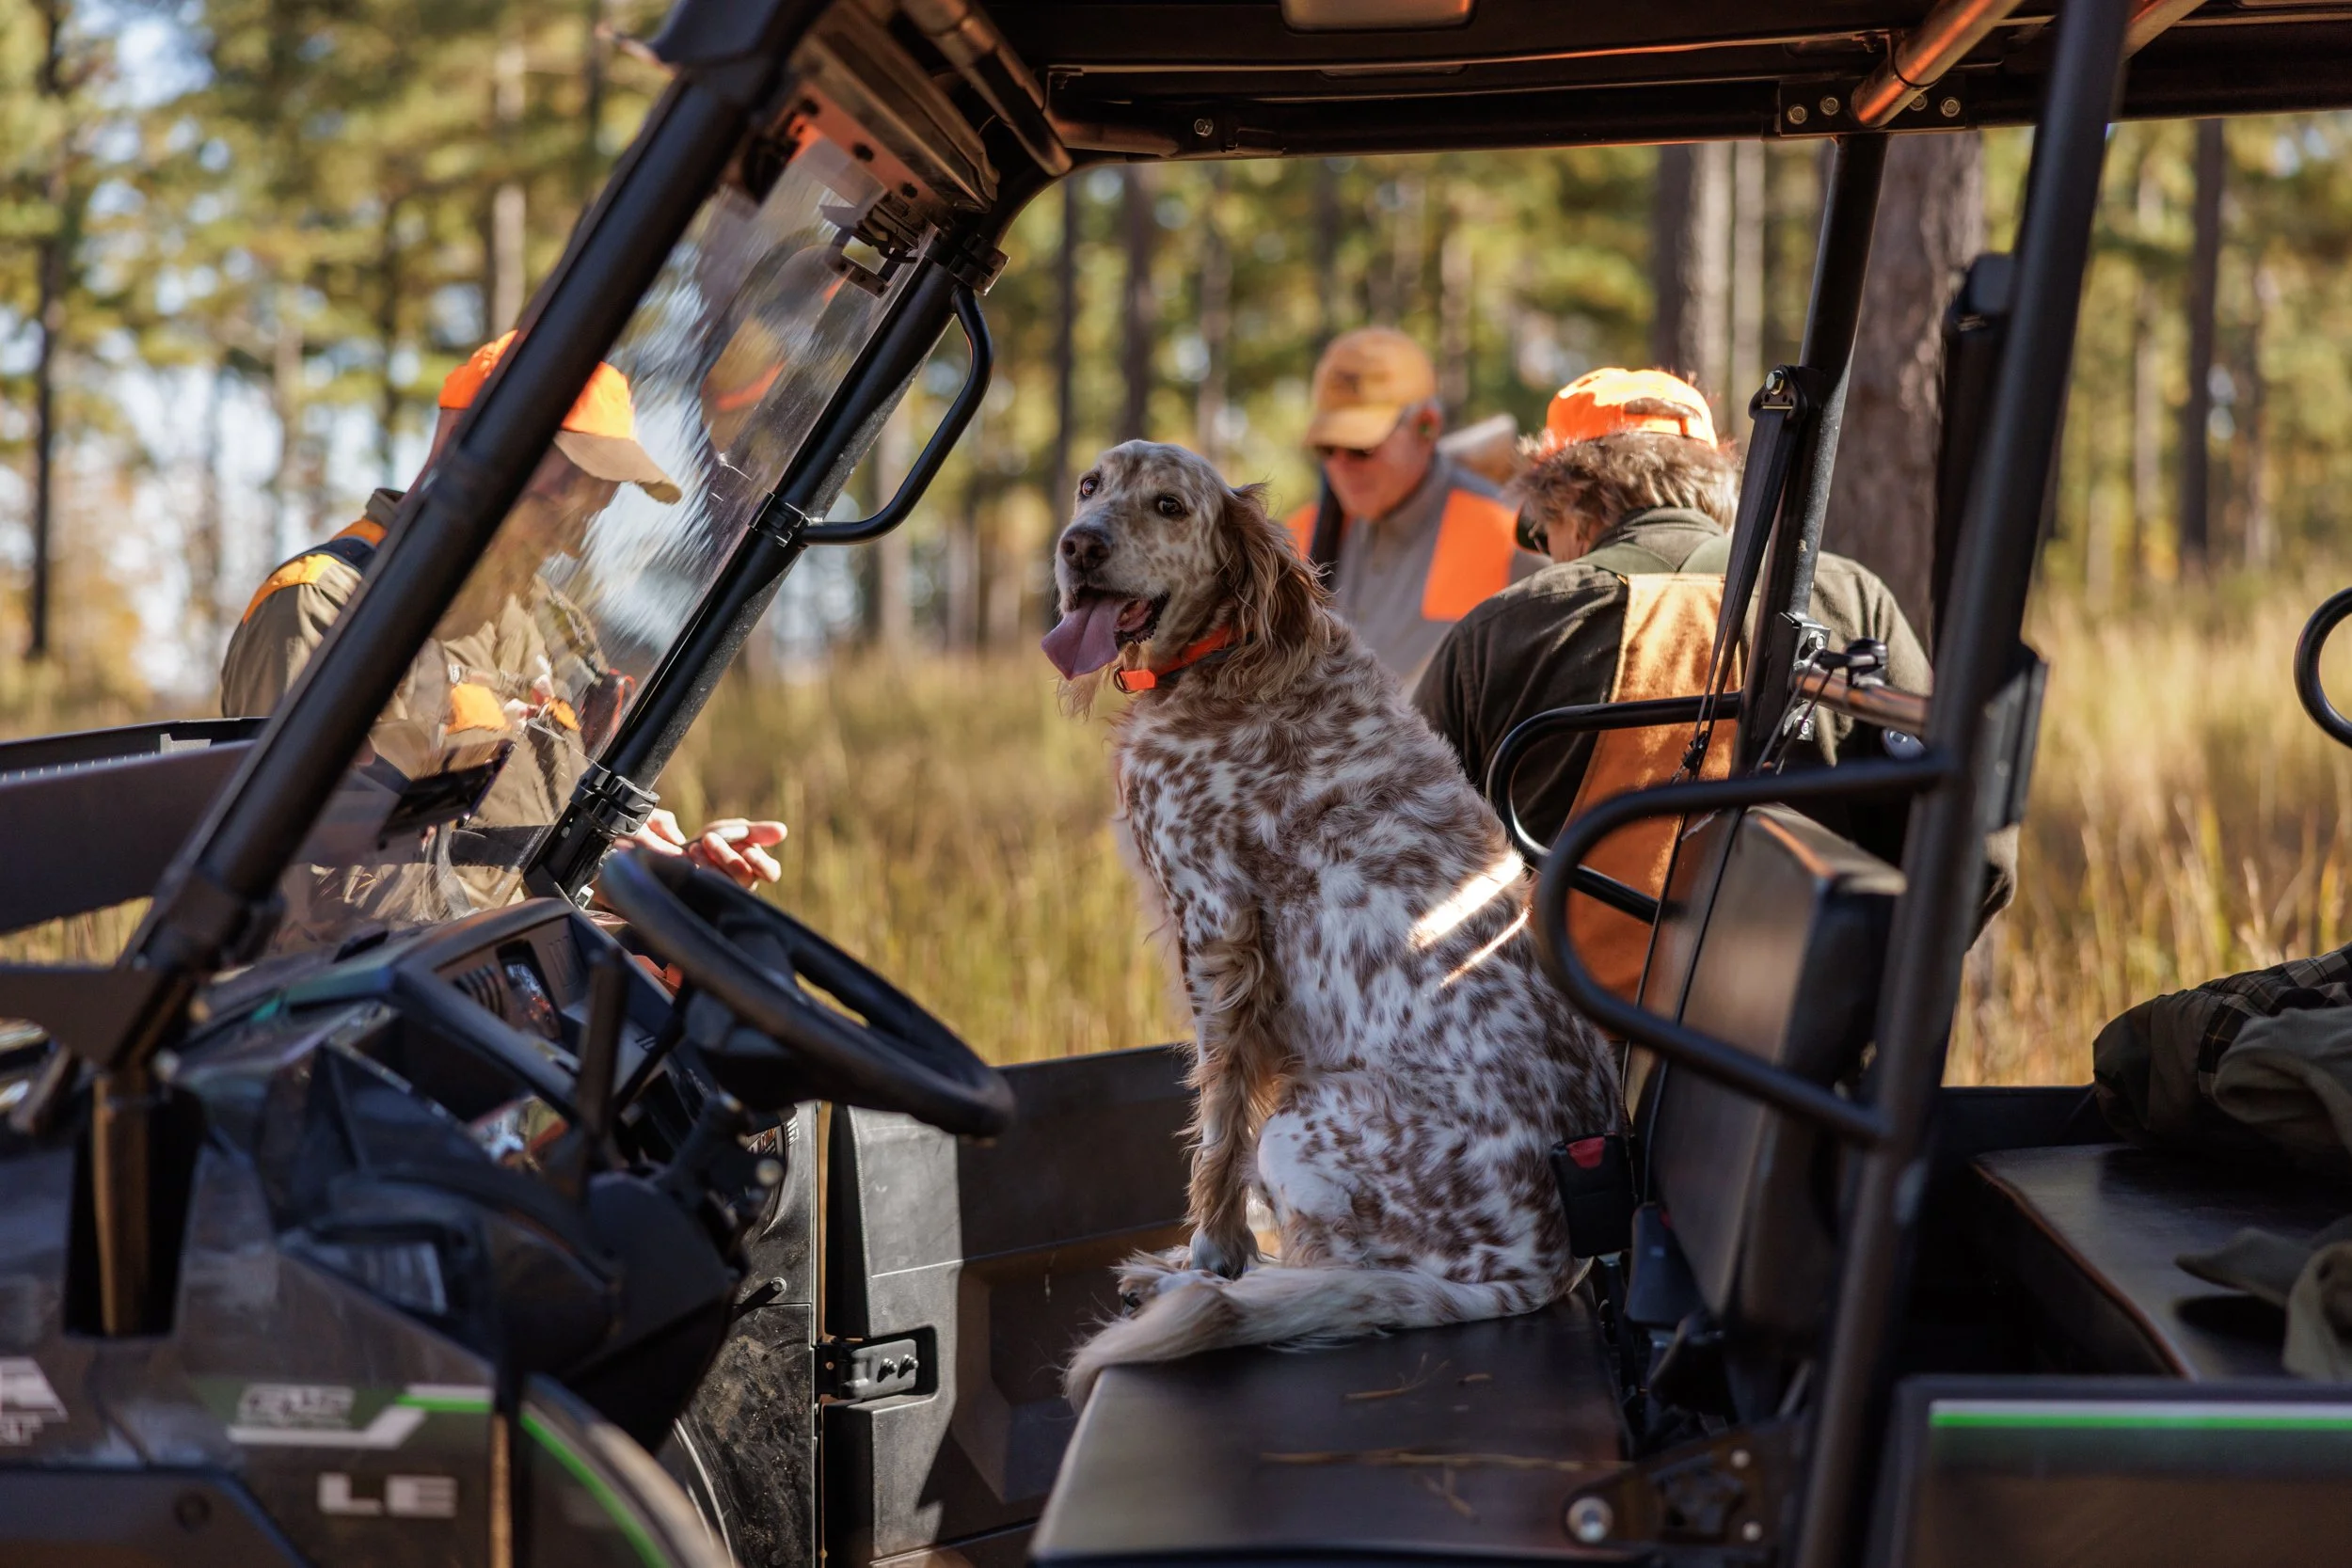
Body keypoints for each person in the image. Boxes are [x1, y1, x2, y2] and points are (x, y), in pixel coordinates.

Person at [1413, 366, 2010, 998]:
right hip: (1800, 1073)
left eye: (1541, 529)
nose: (1547, 548)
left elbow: (1403, 862)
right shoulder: (1849, 600)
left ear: (1573, 503)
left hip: (1558, 1075)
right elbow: (1979, 856)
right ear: (1713, 491)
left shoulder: (1497, 634)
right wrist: (1864, 1013)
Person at [221, 332, 786, 892]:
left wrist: (645, 872)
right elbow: (300, 893)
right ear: (473, 446)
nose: (582, 514)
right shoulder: (324, 607)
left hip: (527, 974)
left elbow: (536, 858)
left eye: (602, 490)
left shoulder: (553, 624)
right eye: (568, 478)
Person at [1281, 328, 1543, 685]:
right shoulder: (1297, 538)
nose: (1341, 465)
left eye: (1363, 448)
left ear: (1427, 427)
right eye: (1327, 448)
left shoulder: (1509, 533)